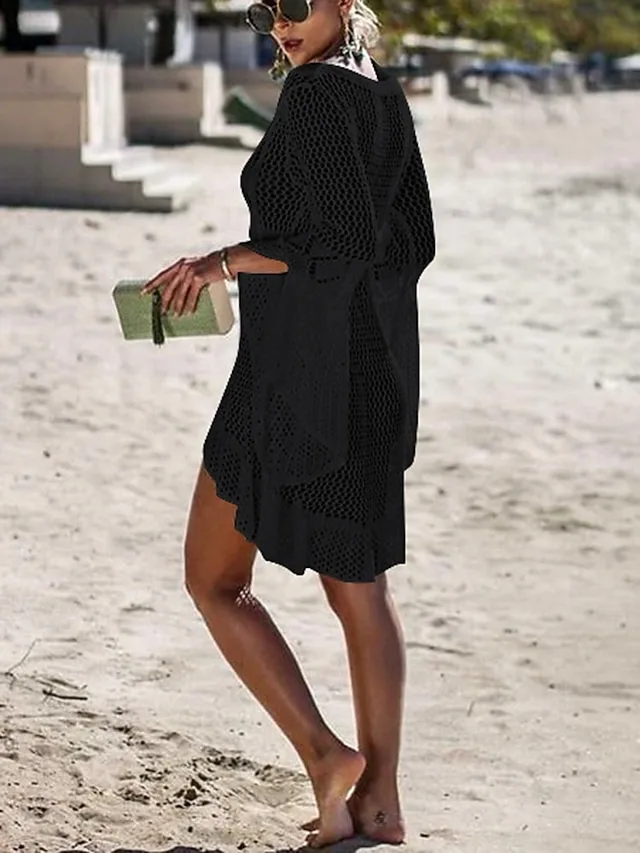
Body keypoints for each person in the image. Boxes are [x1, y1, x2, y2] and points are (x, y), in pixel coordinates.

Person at [140, 0, 435, 847]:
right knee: (361, 588)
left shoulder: (314, 95)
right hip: (373, 374)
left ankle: (326, 755)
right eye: (264, 10)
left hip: (292, 378)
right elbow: (410, 244)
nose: (280, 24)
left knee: (213, 582)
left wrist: (222, 262)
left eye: (296, 5)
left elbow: (337, 244)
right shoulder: (380, 90)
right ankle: (380, 801)